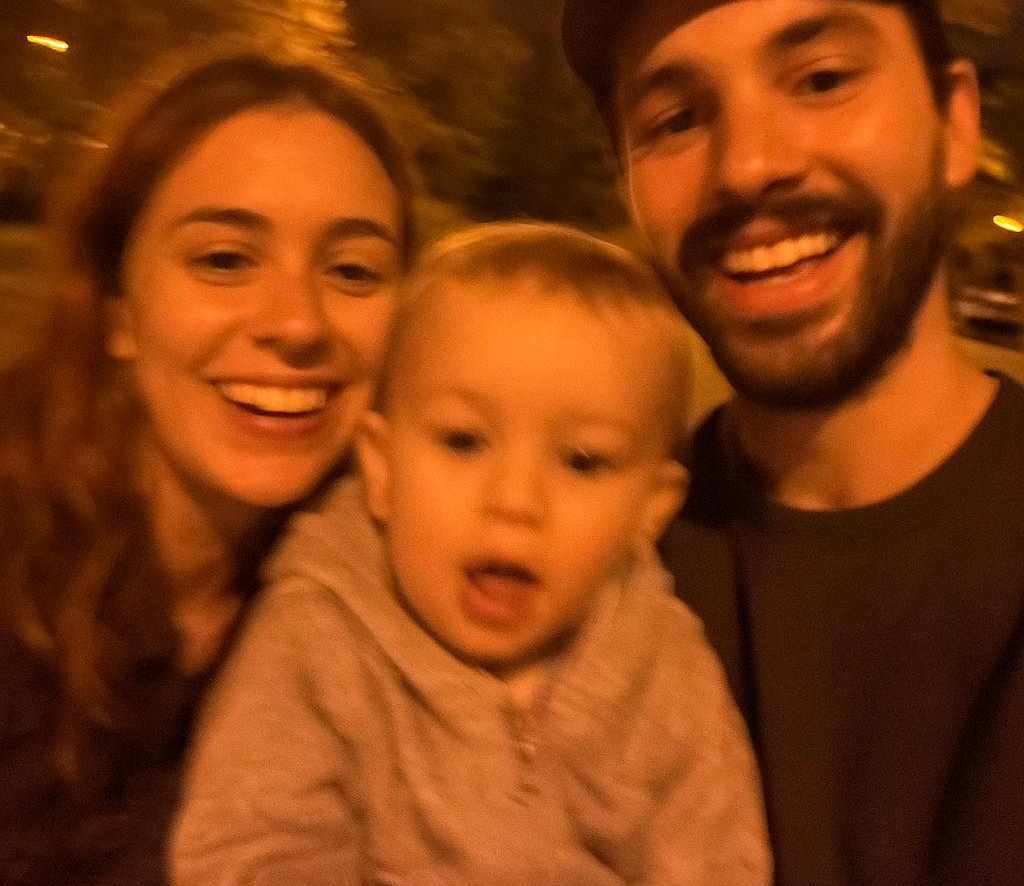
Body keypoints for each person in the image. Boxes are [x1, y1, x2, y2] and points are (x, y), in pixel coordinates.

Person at [560, 0, 1024, 884]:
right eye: (674, 120)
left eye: (820, 79)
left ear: (954, 123)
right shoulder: (583, 564)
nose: (747, 166)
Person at [171, 222, 772, 886]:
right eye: (462, 441)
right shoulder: (320, 637)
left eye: (581, 460)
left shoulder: (663, 669)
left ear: (649, 511)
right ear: (381, 468)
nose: (515, 500)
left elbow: (721, 860)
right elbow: (246, 854)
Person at [0, 50, 416, 885]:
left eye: (352, 271)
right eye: (225, 260)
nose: (298, 322)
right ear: (118, 312)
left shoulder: (394, 585)